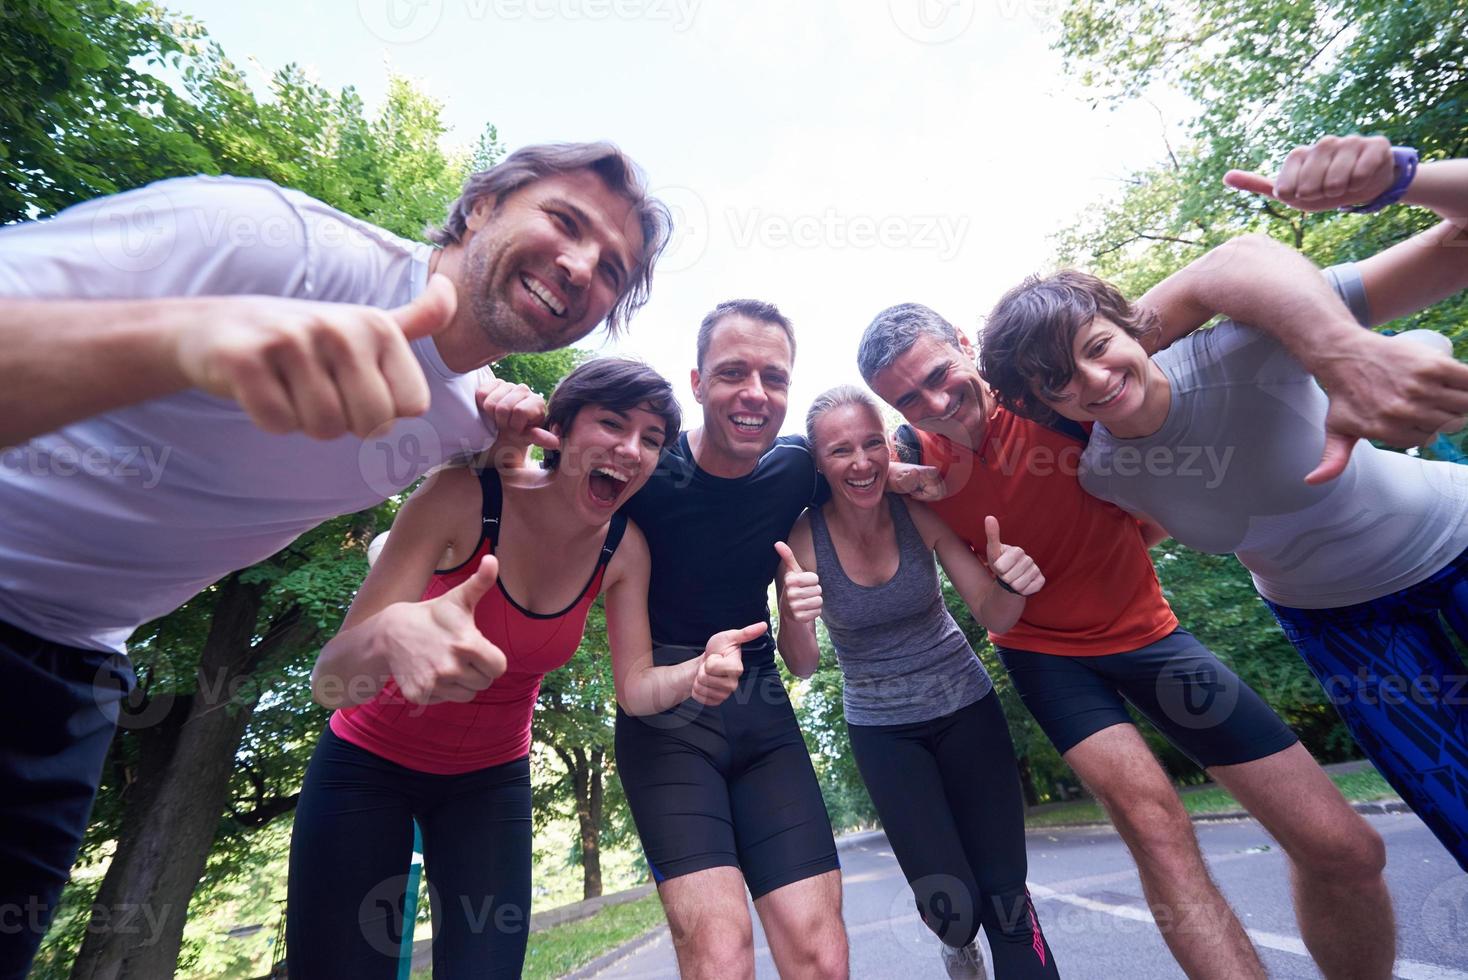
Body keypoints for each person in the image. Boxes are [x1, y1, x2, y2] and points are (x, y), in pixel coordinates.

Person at [0, 142, 669, 976]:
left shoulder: (465, 424)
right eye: (564, 222)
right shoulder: (277, 244)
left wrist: (503, 445)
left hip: (75, 675)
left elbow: (528, 495)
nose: (579, 265)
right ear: (482, 206)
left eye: (611, 268)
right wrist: (184, 341)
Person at [855, 232, 1436, 978]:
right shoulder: (911, 460)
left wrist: (1335, 350)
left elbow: (1212, 283)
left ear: (966, 345)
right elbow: (825, 468)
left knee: (1345, 849)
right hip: (1050, 659)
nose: (934, 403)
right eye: (908, 398)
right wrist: (1000, 573)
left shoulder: (1058, 386)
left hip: (1150, 637)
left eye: (940, 375)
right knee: (1155, 823)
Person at [978, 135, 1468, 871]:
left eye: (1097, 344)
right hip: (1338, 626)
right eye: (1057, 380)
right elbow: (1117, 539)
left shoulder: (1256, 339)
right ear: (1046, 402)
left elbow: (1454, 248)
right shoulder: (1104, 475)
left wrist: (1401, 177)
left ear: (1135, 325)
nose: (1093, 378)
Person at [289, 358, 762, 978]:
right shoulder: (463, 496)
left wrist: (696, 673)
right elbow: (330, 679)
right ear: (557, 432)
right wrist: (391, 634)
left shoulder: (624, 549)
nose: (631, 448)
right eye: (612, 424)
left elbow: (635, 688)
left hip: (489, 784)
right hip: (364, 766)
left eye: (650, 439)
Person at [486, 299, 854, 979]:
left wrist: (919, 473)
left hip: (763, 713)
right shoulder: (642, 472)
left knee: (821, 956)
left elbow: (873, 471)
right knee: (720, 957)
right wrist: (500, 437)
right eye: (733, 372)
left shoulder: (799, 467)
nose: (755, 393)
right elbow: (538, 493)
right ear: (696, 382)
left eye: (774, 377)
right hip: (665, 724)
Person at [778, 385, 1058, 979]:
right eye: (839, 451)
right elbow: (801, 665)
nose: (860, 462)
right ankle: (957, 946)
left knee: (1008, 899)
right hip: (884, 733)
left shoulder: (916, 510)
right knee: (952, 908)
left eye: (871, 443)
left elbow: (990, 611)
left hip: (966, 705)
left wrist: (1011, 584)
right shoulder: (804, 538)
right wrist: (794, 616)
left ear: (887, 445)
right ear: (818, 463)